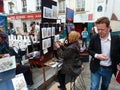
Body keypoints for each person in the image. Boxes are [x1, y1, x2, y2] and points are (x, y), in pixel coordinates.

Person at [88, 17, 120, 90]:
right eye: (98, 29)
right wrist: (96, 55)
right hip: (96, 68)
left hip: (109, 69)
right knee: (93, 87)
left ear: (108, 28)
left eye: (102, 29)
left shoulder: (116, 39)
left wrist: (118, 63)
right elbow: (89, 50)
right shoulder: (94, 37)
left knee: (105, 87)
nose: (99, 32)